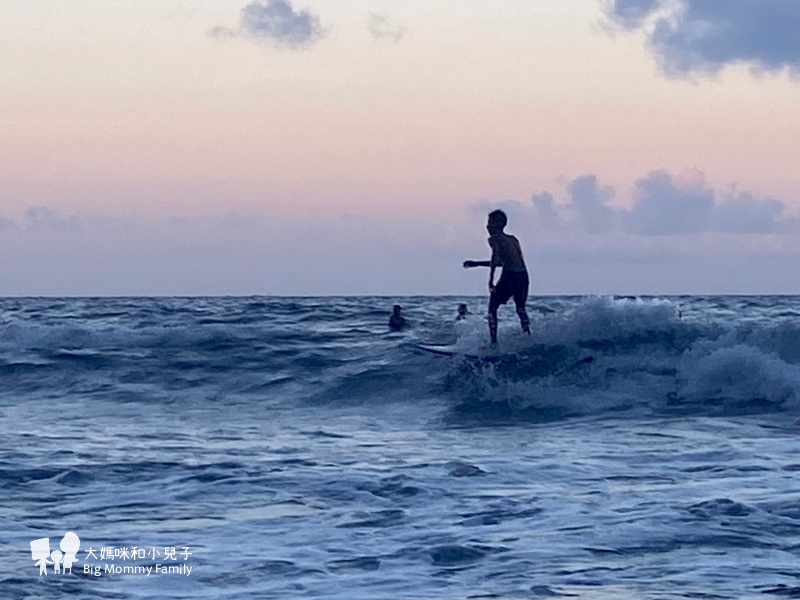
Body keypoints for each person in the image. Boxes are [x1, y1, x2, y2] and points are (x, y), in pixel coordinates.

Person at [463, 209, 530, 344]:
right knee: (520, 309)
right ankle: (528, 335)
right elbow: (504, 261)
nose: (487, 226)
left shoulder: (495, 238)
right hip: (523, 276)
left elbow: (495, 258)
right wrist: (477, 264)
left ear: (498, 224)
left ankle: (493, 343)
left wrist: (490, 281)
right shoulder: (513, 240)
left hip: (510, 276)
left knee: (492, 308)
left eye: (490, 222)